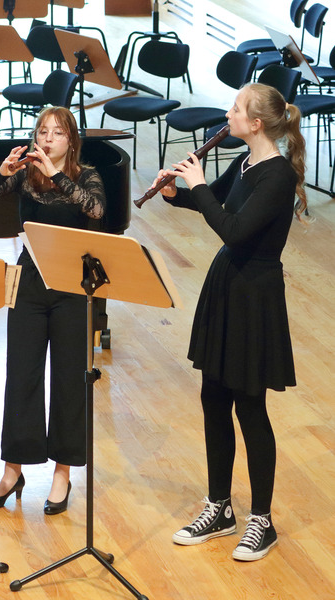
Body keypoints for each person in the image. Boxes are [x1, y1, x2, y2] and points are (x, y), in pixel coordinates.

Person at [152, 83, 305, 561]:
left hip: (254, 296)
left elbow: (234, 230)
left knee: (250, 406)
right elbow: (210, 202)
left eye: (236, 109)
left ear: (255, 124)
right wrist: (176, 192)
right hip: (226, 287)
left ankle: (262, 519)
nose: (228, 113)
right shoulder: (244, 163)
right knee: (213, 397)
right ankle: (219, 507)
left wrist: (197, 185)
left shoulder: (277, 176)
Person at [0, 107, 105, 514]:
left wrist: (58, 175)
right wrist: (0, 171)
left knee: (69, 379)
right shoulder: (25, 176)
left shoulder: (87, 176)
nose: (47, 139)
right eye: (42, 132)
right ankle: (13, 469)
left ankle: (62, 473)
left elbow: (96, 210)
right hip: (29, 281)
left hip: (72, 284)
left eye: (57, 133)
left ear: (71, 140)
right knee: (22, 374)